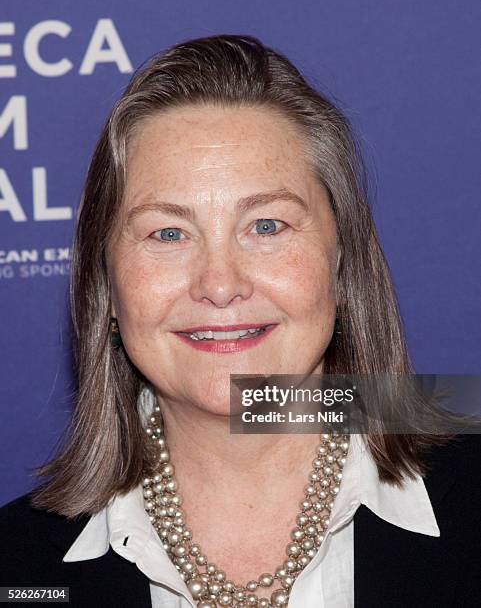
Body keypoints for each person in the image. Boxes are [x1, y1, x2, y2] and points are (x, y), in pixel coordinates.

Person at [1, 34, 480, 608]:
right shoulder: (18, 568)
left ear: (341, 259)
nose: (221, 284)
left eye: (267, 226)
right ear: (106, 287)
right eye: (168, 233)